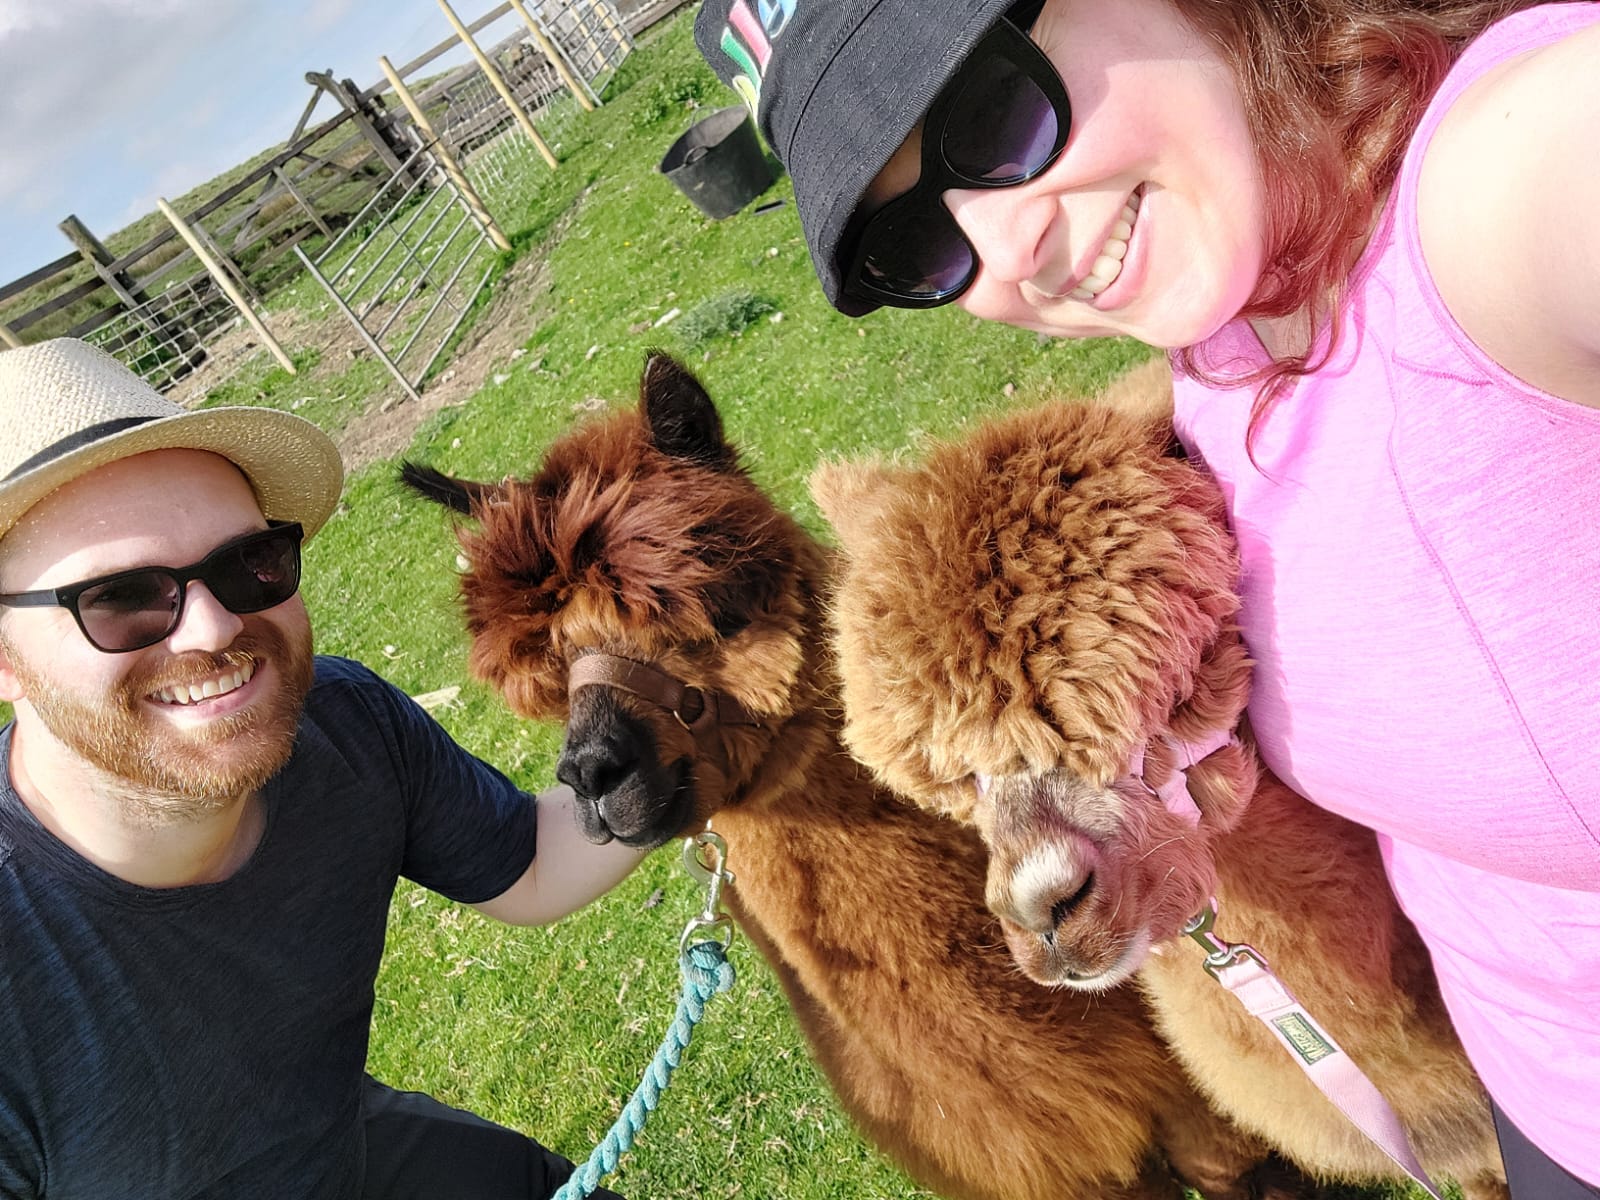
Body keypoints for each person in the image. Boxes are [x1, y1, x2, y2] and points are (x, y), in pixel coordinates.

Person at [692, 0, 1600, 1195]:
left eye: (990, 109)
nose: (1005, 251)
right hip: (1527, 1086)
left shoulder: (1496, 187)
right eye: (916, 242)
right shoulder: (1219, 341)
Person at [0, 337, 650, 1199]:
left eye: (247, 565)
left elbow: (531, 863)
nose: (214, 629)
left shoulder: (341, 725)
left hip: (341, 1152)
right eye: (121, 598)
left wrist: (700, 728)